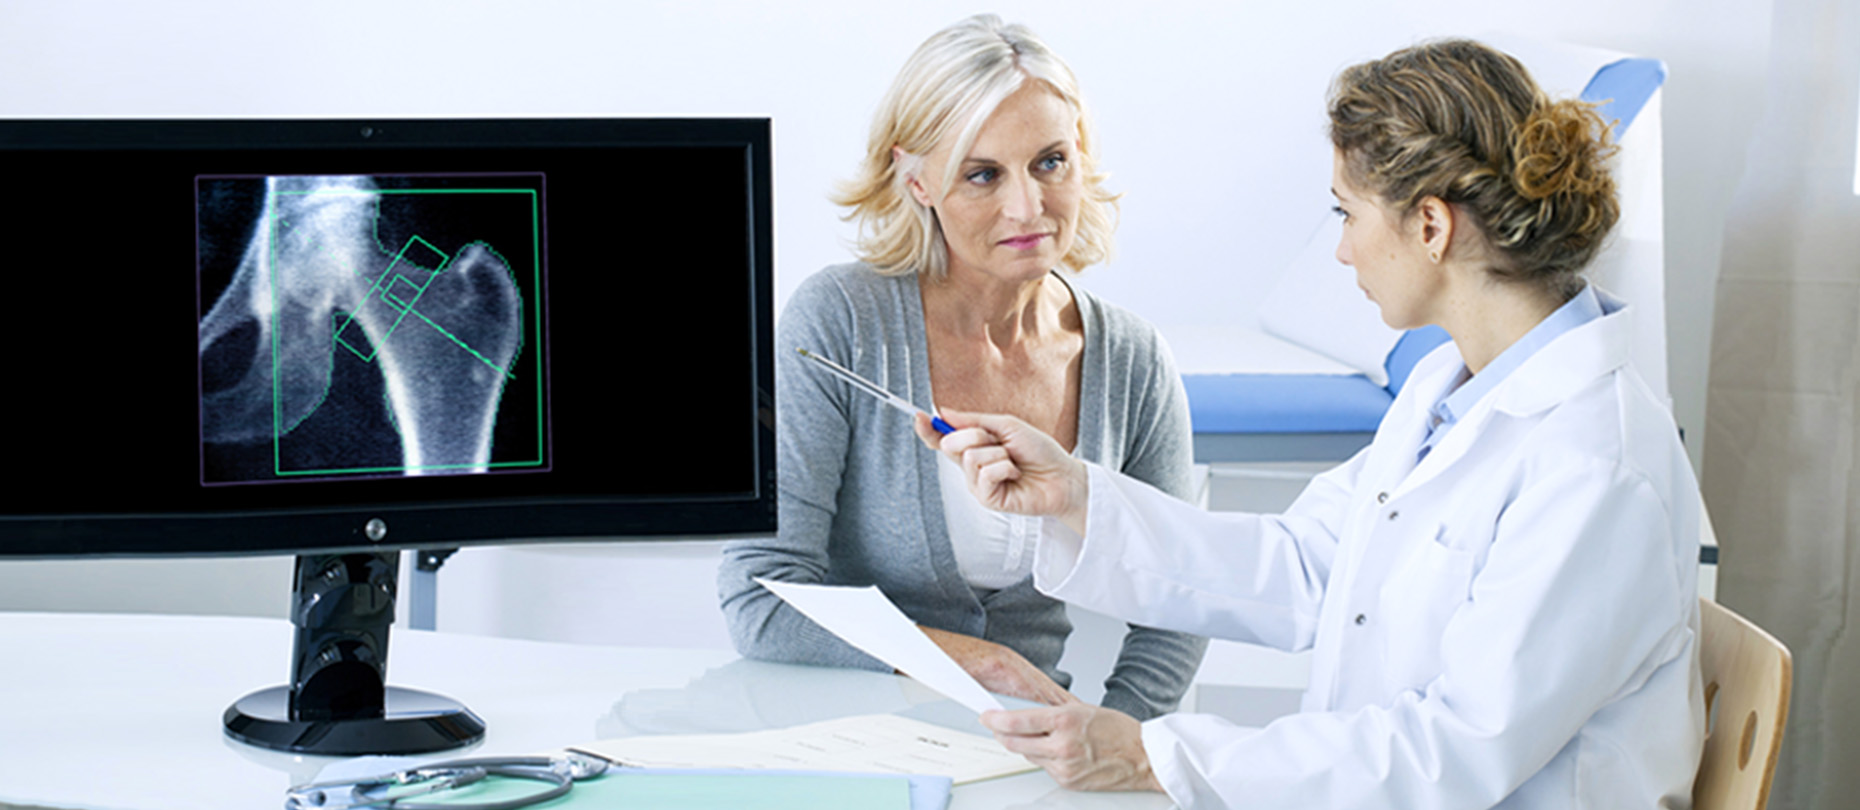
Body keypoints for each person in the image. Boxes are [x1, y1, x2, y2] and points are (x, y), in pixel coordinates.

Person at [922, 39, 1704, 808]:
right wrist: (1074, 496)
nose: (1340, 249)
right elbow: (1305, 566)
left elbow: (1453, 753)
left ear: (1431, 227)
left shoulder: (1594, 462)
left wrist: (1151, 755)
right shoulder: (1451, 388)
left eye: (1348, 211)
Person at [717, 14, 1207, 720]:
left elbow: (1179, 597)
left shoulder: (1132, 358)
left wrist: (1118, 738)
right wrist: (975, 660)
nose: (1027, 206)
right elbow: (760, 597)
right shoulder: (840, 321)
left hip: (1034, 750)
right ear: (916, 181)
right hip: (847, 739)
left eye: (1050, 162)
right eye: (982, 175)